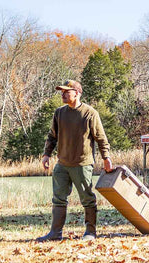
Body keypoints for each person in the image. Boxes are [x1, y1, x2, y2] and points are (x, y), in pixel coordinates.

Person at [37, 80, 113, 241]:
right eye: (62, 92)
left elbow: (101, 138)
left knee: (87, 199)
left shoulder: (90, 113)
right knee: (58, 198)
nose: (63, 94)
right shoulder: (59, 113)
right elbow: (52, 136)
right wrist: (46, 155)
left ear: (77, 93)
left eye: (66, 92)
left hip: (82, 164)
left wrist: (106, 158)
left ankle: (90, 232)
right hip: (62, 164)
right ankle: (55, 233)